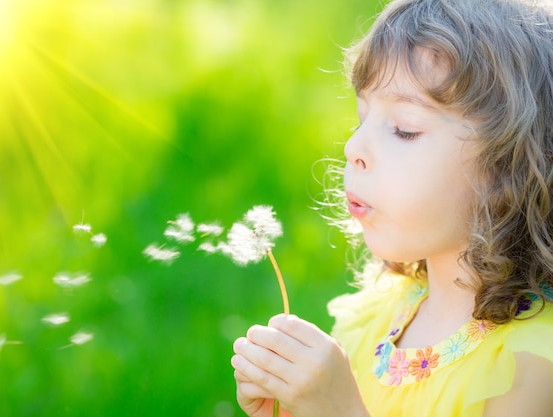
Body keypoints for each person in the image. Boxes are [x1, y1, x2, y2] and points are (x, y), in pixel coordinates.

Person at [230, 0, 553, 415]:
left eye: (404, 130)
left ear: (509, 166)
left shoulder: (530, 365)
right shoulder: (375, 318)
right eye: (361, 117)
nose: (352, 149)